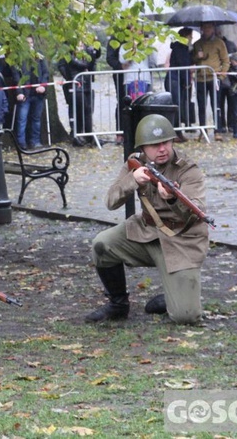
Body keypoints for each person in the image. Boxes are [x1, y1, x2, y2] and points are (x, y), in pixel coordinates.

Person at [85, 114, 207, 325]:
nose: (162, 149)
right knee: (101, 244)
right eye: (154, 145)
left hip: (181, 242)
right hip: (146, 232)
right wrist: (131, 180)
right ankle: (118, 304)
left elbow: (196, 210)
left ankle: (170, 298)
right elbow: (111, 201)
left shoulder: (188, 169)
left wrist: (171, 199)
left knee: (186, 317)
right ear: (142, 148)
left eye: (165, 142)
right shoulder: (136, 162)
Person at [192, 22, 230, 141]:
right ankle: (203, 131)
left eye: (209, 27)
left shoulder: (219, 43)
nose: (207, 29)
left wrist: (222, 75)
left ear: (213, 28)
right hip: (200, 79)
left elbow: (226, 61)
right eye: (204, 27)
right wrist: (197, 57)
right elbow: (192, 59)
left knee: (216, 106)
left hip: (214, 79)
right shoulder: (197, 44)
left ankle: (217, 130)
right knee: (201, 106)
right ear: (201, 29)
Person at [57, 42, 100, 146]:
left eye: (82, 45)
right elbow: (64, 66)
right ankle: (77, 134)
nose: (81, 48)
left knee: (88, 110)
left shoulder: (88, 53)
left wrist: (94, 48)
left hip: (88, 84)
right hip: (75, 84)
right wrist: (70, 79)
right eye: (78, 45)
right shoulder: (69, 55)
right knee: (77, 110)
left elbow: (94, 59)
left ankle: (88, 135)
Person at [14, 36, 50, 149]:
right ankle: (21, 143)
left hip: (38, 94)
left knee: (36, 119)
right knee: (22, 120)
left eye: (31, 42)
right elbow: (16, 77)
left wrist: (43, 86)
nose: (29, 45)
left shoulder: (39, 55)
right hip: (25, 94)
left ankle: (35, 141)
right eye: (26, 43)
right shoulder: (17, 58)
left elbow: (45, 73)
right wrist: (19, 92)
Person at [166, 27, 195, 140]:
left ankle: (178, 132)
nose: (191, 38)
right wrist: (186, 81)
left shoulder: (182, 48)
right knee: (176, 105)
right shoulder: (180, 48)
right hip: (175, 79)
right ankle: (175, 132)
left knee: (178, 105)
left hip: (176, 79)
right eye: (190, 35)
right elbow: (183, 66)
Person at [215, 27, 237, 134]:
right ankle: (221, 125)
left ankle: (231, 125)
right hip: (219, 78)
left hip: (231, 79)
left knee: (232, 103)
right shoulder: (213, 45)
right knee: (219, 103)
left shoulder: (230, 44)